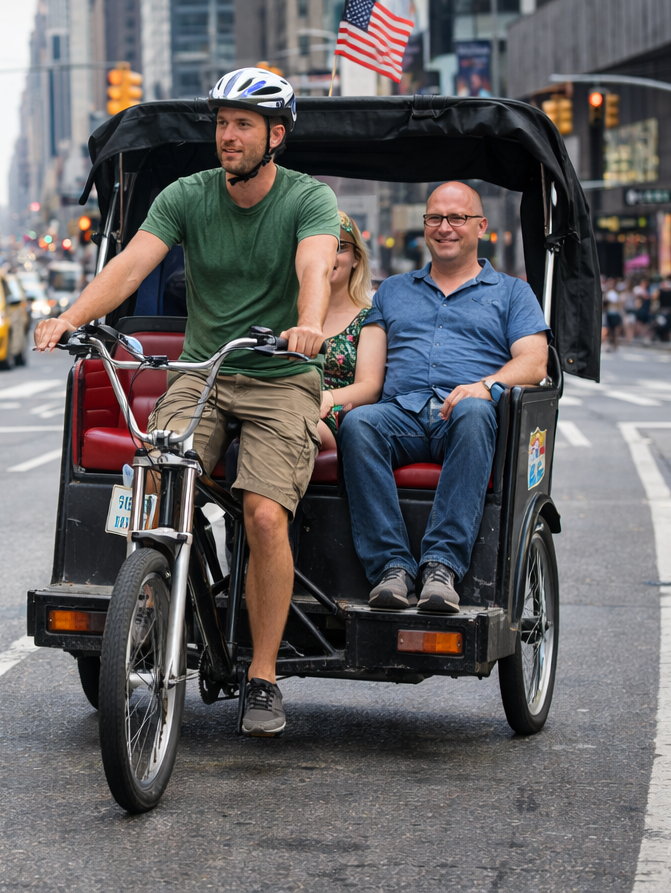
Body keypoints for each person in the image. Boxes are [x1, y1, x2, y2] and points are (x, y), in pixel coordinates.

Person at [35, 67, 340, 737]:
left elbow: (315, 266)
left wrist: (310, 323)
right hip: (204, 374)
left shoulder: (308, 198)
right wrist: (69, 317)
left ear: (275, 136)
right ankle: (152, 597)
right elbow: (130, 265)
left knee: (264, 516)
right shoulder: (187, 194)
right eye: (222, 124)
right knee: (154, 483)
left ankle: (263, 677)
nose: (228, 136)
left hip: (281, 375)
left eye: (243, 125)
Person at [338, 182, 549, 614]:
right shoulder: (392, 290)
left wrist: (486, 385)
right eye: (435, 218)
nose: (445, 227)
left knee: (474, 410)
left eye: (457, 218)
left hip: (469, 418)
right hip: (402, 415)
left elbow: (534, 362)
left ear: (481, 226)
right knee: (359, 423)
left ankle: (441, 567)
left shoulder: (512, 292)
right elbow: (370, 379)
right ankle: (391, 568)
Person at [318, 211, 386, 450]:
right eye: (319, 244)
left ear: (356, 258)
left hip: (330, 414)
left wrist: (327, 398)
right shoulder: (286, 313)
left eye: (339, 246)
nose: (328, 254)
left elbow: (370, 387)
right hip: (281, 402)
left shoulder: (369, 317)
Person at [604, 281, 622, 351]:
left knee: (615, 331)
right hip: (609, 314)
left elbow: (618, 304)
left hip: (615, 314)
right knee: (608, 330)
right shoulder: (607, 294)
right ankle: (608, 345)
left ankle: (615, 346)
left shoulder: (616, 294)